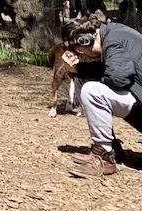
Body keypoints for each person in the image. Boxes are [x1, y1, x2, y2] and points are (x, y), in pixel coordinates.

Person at [59, 15, 142, 178]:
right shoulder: (113, 33)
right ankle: (109, 147)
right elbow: (113, 72)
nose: (82, 54)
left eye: (78, 51)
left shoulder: (113, 41)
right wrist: (76, 70)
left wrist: (81, 70)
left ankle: (104, 158)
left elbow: (118, 78)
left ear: (84, 42)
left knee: (92, 90)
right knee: (82, 79)